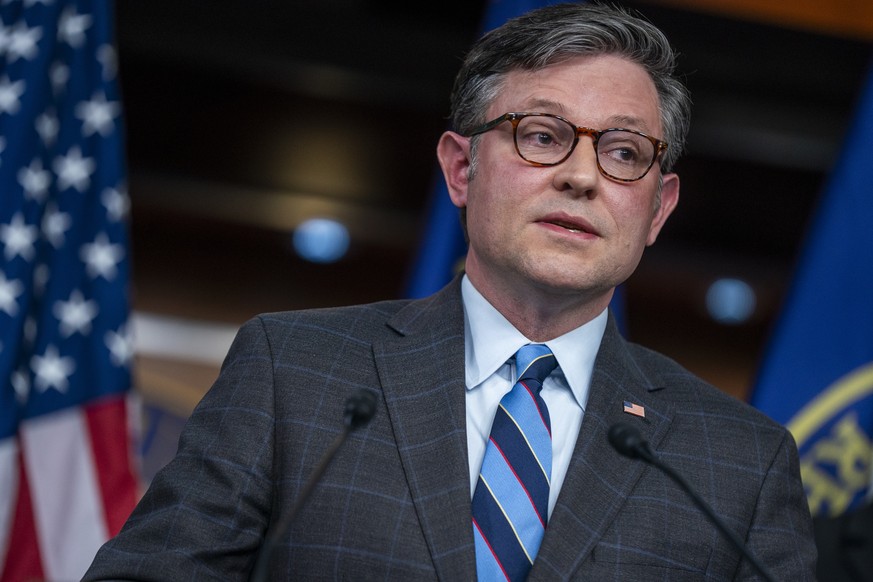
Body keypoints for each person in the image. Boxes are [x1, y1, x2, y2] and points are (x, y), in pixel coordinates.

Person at [85, 3, 817, 580]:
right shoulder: (294, 372)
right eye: (541, 134)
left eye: (624, 152)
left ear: (656, 209)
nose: (582, 175)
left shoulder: (738, 462)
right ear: (461, 168)